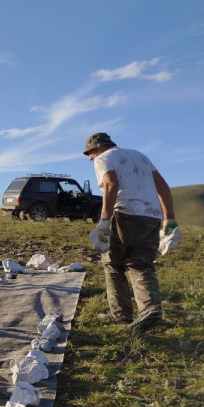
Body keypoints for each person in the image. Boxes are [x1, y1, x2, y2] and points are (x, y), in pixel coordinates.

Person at [84, 132, 178, 331]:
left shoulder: (103, 158)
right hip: (151, 217)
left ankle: (121, 316)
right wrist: (169, 218)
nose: (91, 158)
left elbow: (111, 183)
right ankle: (150, 311)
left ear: (97, 148)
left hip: (124, 215)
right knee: (141, 264)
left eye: (90, 154)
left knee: (113, 264)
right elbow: (162, 186)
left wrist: (104, 221)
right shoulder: (140, 156)